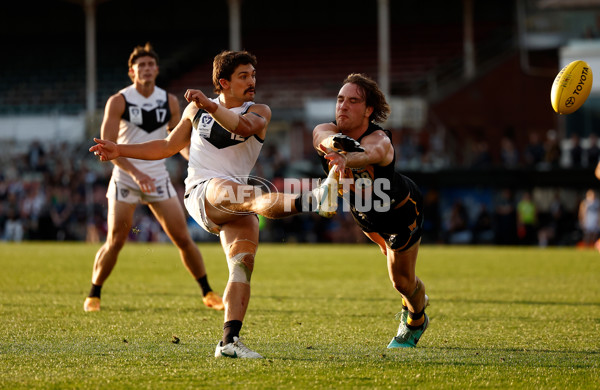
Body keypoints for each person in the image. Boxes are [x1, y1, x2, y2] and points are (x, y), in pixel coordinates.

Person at [90, 50, 339, 359]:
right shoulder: (196, 110)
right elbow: (169, 146)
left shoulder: (259, 110)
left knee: (242, 265)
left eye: (253, 75)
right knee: (245, 194)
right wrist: (119, 149)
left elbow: (243, 127)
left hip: (233, 198)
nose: (252, 81)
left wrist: (209, 104)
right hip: (202, 191)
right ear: (224, 82)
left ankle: (229, 342)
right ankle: (315, 200)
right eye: (243, 76)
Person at [83, 43, 224, 313]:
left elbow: (176, 141)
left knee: (182, 238)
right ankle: (94, 294)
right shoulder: (119, 101)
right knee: (116, 241)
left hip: (157, 177)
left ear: (157, 69)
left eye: (150, 65)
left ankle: (207, 292)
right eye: (141, 65)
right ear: (131, 72)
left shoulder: (170, 101)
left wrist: (194, 158)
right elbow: (107, 147)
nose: (146, 69)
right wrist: (136, 173)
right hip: (126, 177)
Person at [312, 73, 429, 348]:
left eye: (353, 101)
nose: (343, 105)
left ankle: (415, 320)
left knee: (401, 282)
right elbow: (323, 139)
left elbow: (370, 154)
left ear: (368, 111)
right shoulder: (325, 130)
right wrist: (336, 146)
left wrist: (347, 158)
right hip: (365, 215)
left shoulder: (379, 140)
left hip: (401, 214)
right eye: (340, 99)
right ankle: (416, 298)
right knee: (395, 267)